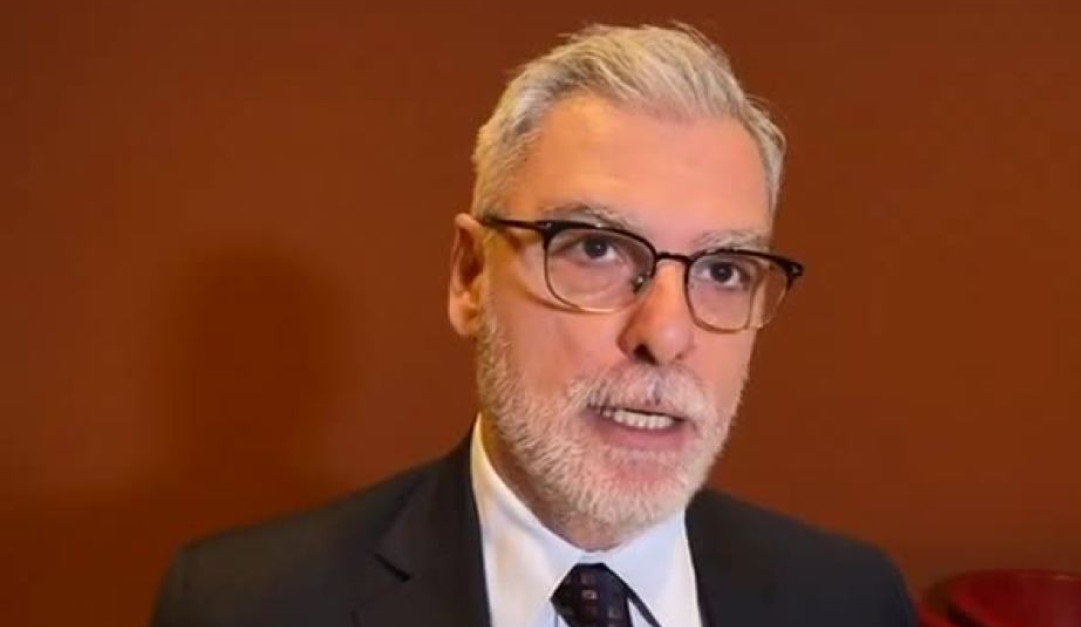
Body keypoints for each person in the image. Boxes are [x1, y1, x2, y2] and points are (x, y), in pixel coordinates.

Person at [150, 23, 916, 627]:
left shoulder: (852, 600)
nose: (665, 334)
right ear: (470, 276)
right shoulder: (247, 604)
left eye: (722, 270)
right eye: (596, 248)